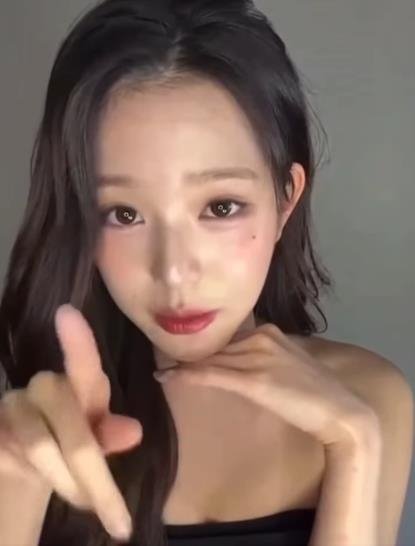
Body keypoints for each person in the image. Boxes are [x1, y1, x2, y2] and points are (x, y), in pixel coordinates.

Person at [0, 1, 413, 545]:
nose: (174, 273)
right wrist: (14, 493)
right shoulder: (33, 431)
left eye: (220, 207)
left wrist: (354, 443)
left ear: (285, 200)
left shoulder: (367, 397)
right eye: (124, 214)